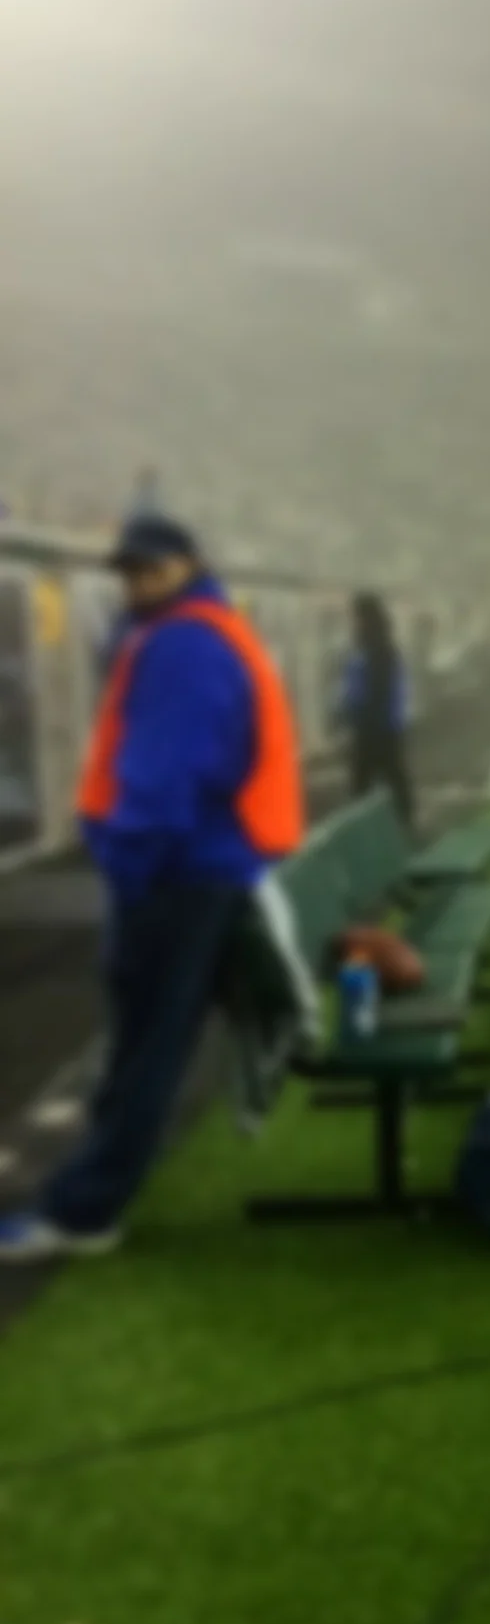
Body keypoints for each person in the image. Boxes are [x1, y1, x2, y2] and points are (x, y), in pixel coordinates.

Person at [0, 514, 305, 1264]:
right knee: (147, 1043)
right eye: (130, 571)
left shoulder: (180, 645)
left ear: (188, 564)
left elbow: (164, 774)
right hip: (202, 867)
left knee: (145, 1047)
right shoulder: (206, 633)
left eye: (151, 569)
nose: (137, 583)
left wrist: (127, 862)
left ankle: (84, 1211)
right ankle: (90, 1193)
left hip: (174, 872)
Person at [339, 591, 413, 826]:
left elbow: (378, 690)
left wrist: (364, 718)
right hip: (376, 725)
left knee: (372, 778)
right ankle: (403, 819)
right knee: (389, 775)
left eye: (356, 616)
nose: (353, 622)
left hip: (376, 727)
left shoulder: (378, 650)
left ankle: (401, 820)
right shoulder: (370, 647)